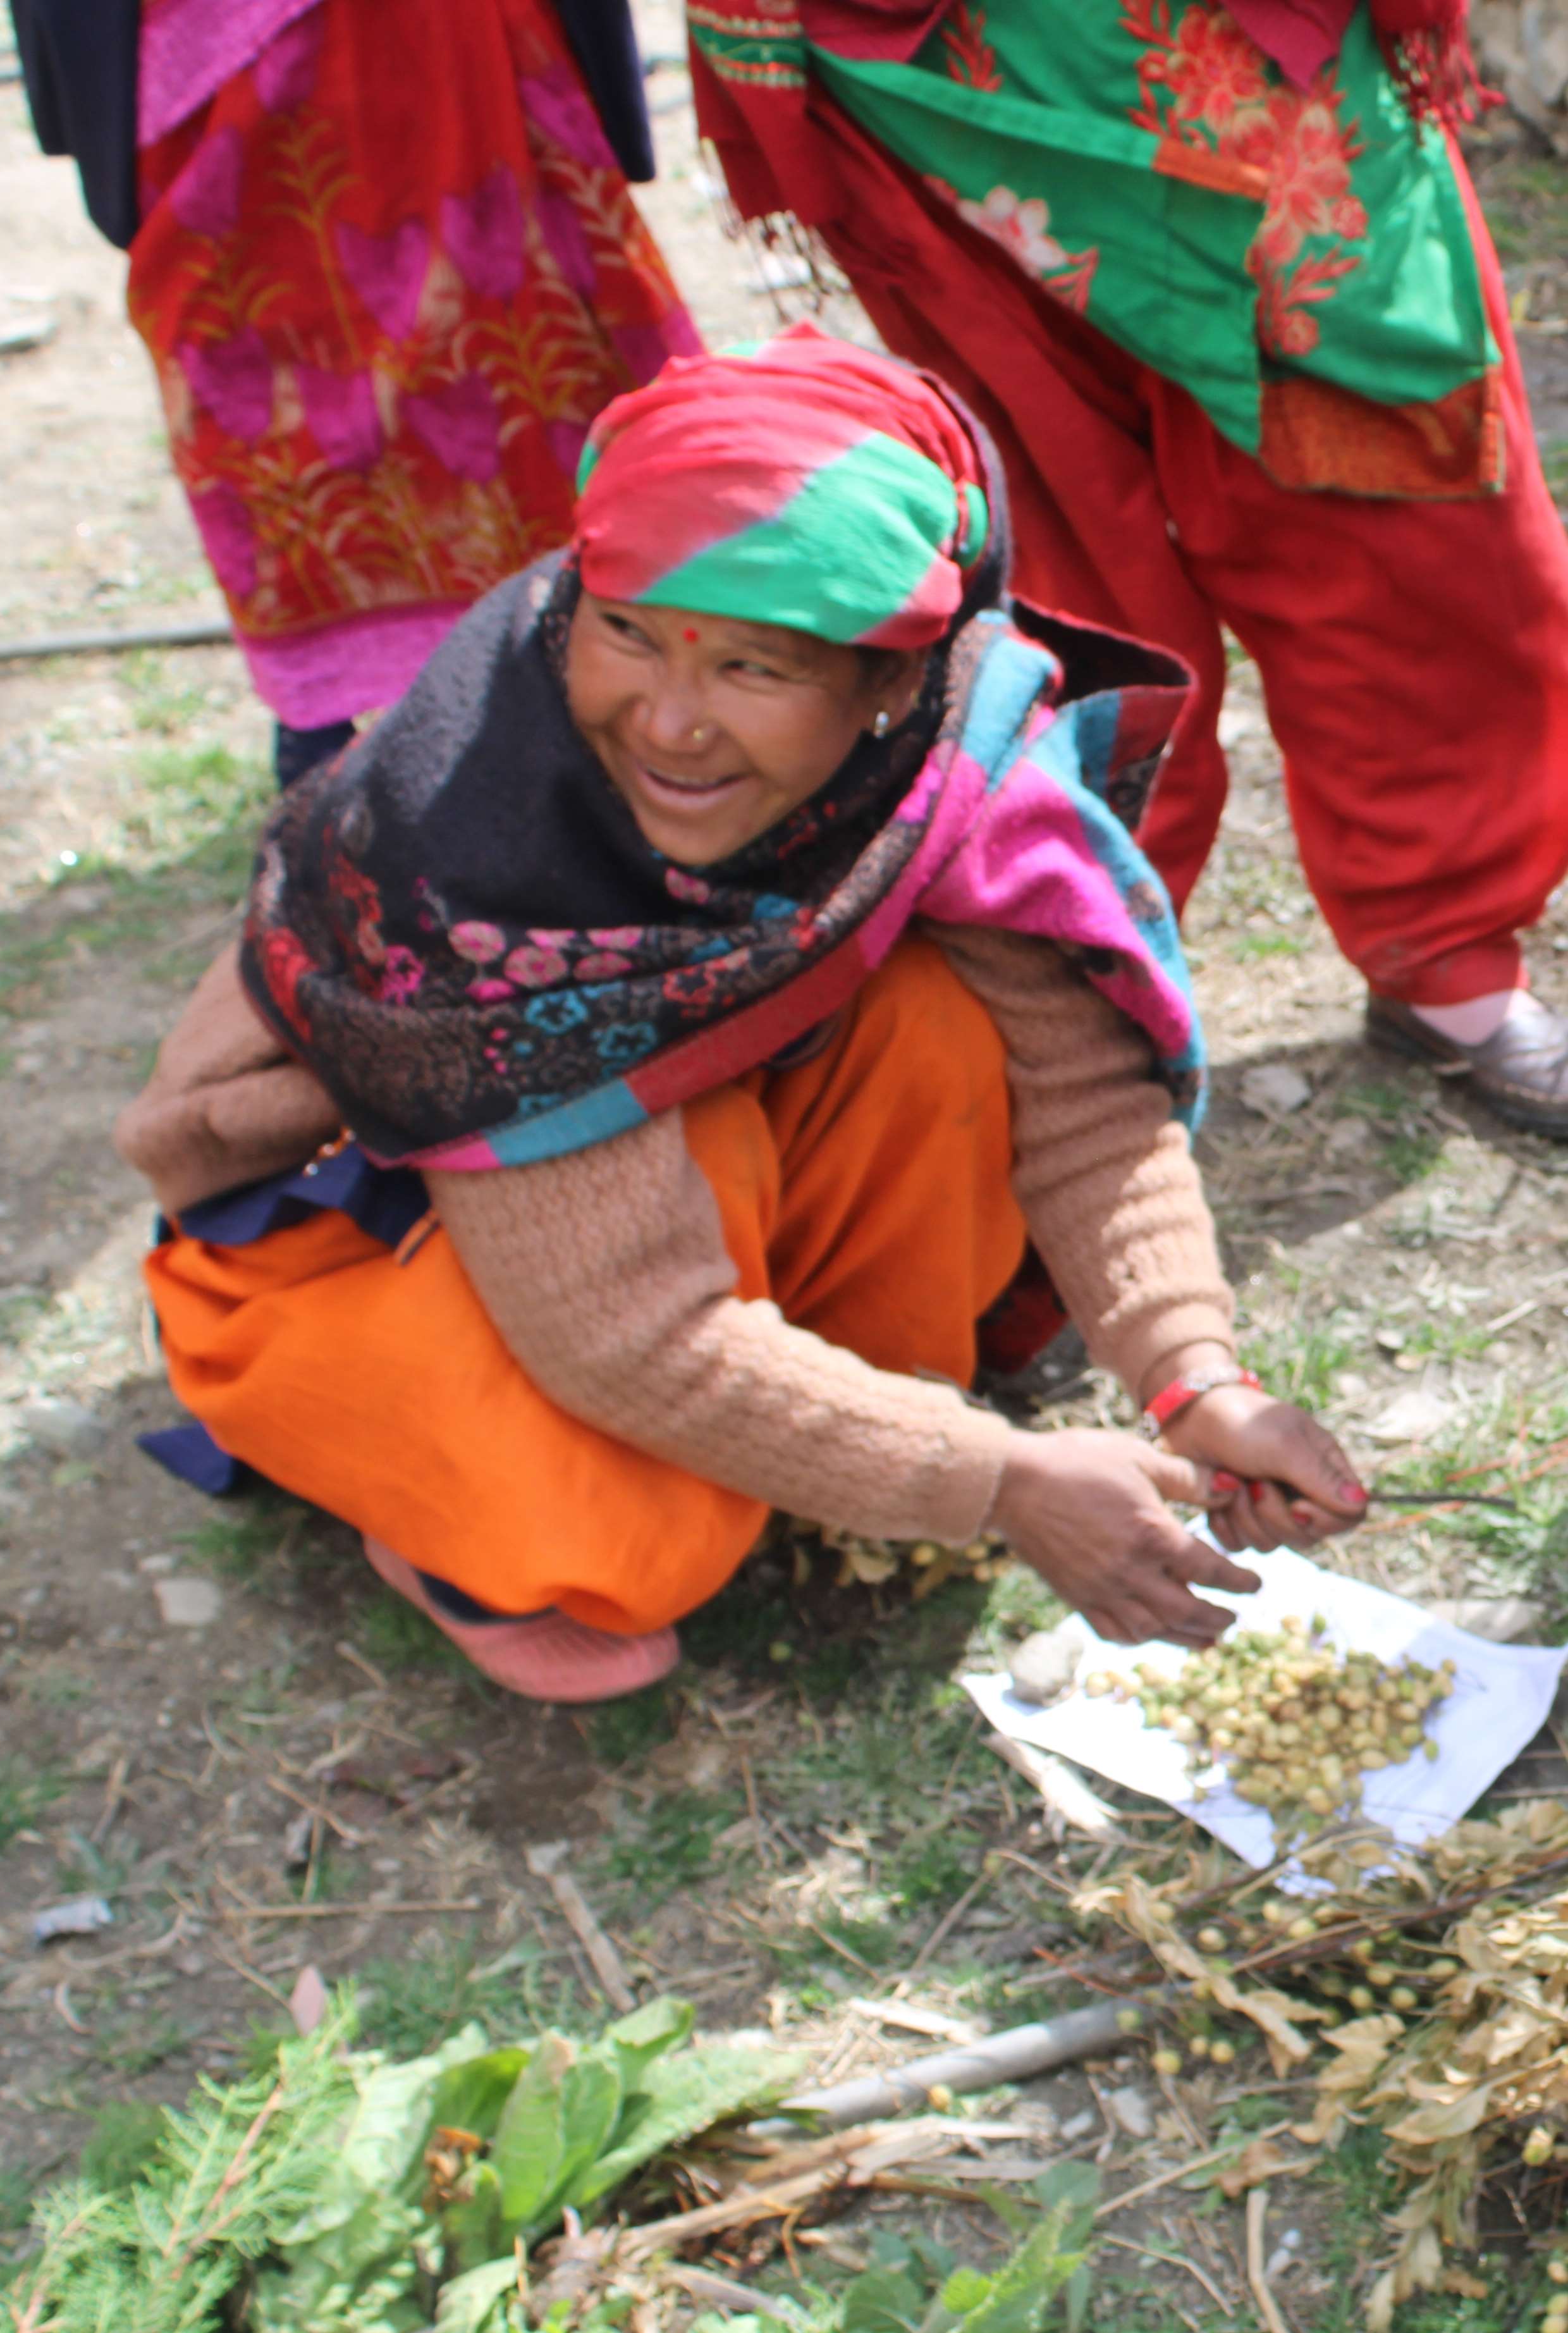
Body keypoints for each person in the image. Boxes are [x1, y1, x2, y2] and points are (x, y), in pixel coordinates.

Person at [114, 333, 1369, 1701]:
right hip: (349, 1224)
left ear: (891, 680)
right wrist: (1000, 1482)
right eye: (629, 632)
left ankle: (837, 1419)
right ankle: (449, 1503)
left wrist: (1196, 1380)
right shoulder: (479, 851)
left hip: (683, 1167)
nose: (667, 721)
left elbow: (1082, 1101)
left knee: (952, 1027)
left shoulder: (943, 757)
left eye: (755, 670)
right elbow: (628, 1333)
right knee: (624, 1544)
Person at [685, 0, 1568, 1136]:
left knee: (1393, 480)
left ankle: (1447, 945)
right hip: (934, 54)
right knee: (1055, 545)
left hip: (1246, 41)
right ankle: (1078, 978)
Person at [9, 0, 704, 789]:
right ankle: (349, 761)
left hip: (427, 50)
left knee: (509, 365)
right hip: (233, 65)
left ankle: (560, 722)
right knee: (289, 394)